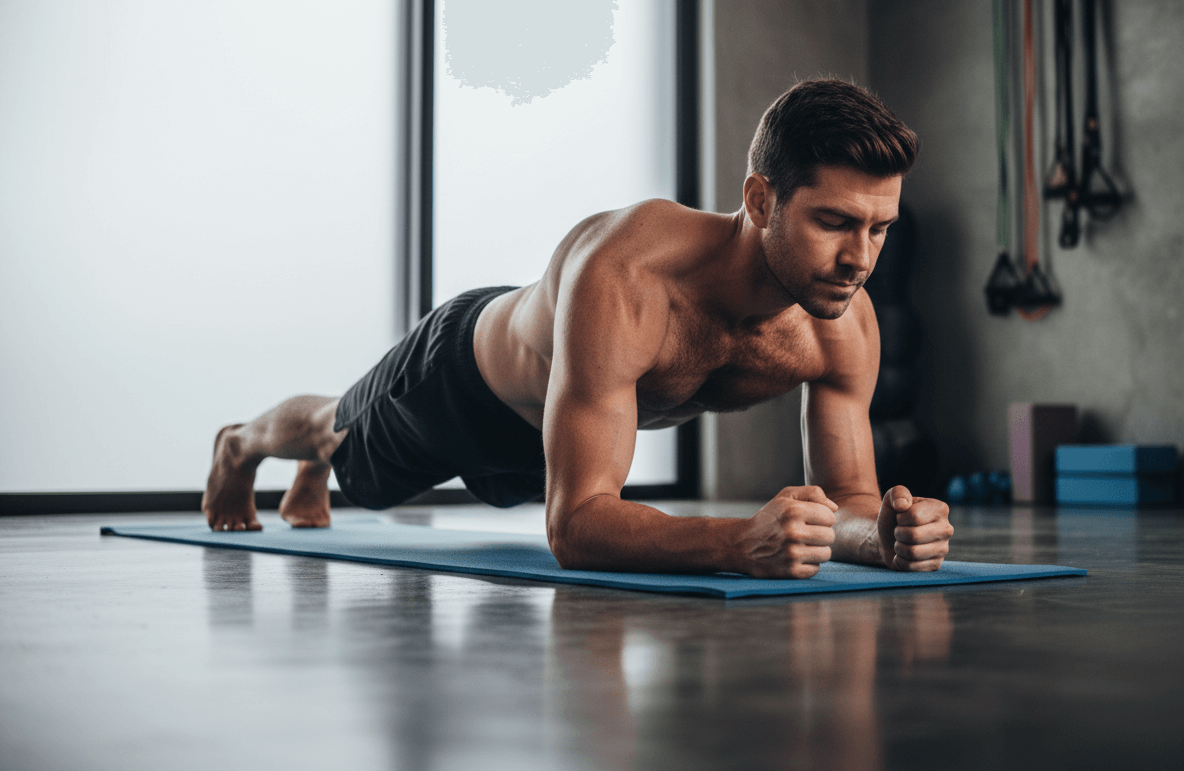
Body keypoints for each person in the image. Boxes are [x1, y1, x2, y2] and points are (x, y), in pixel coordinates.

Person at [202, 78, 954, 578]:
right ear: (761, 200)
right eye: (833, 223)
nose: (860, 260)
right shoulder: (629, 276)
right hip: (460, 385)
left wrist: (877, 538)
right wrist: (734, 541)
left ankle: (318, 455)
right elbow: (575, 529)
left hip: (552, 439)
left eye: (880, 229)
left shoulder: (841, 323)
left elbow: (849, 495)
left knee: (352, 451)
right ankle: (246, 444)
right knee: (348, 447)